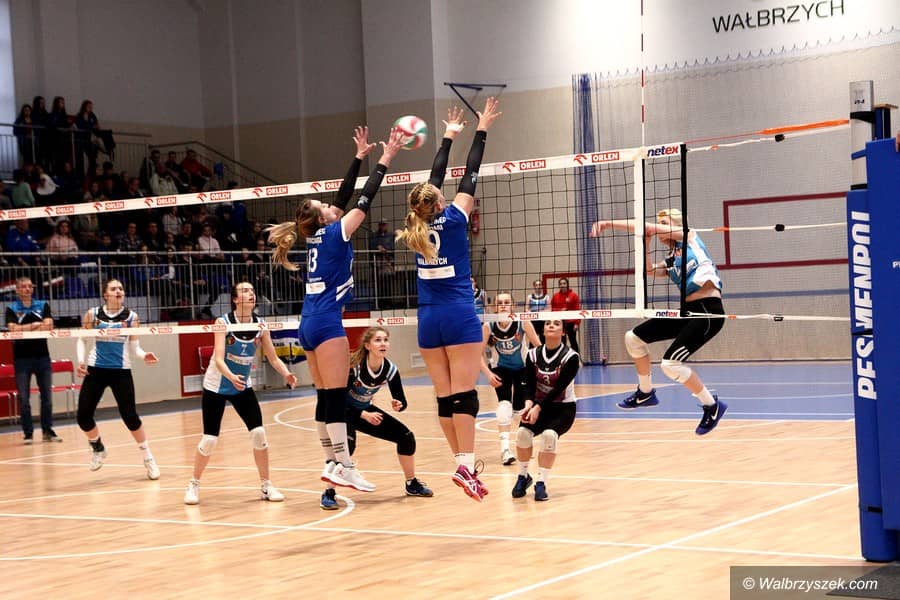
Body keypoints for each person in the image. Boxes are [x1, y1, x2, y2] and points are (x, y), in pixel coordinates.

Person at [268, 125, 403, 494]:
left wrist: (358, 157)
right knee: (337, 397)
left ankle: (331, 462)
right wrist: (385, 159)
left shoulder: (317, 234)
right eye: (324, 205)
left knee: (325, 396)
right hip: (327, 324)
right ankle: (345, 465)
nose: (330, 204)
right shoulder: (337, 231)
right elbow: (364, 199)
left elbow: (343, 197)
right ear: (324, 217)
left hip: (308, 323)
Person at [396, 98, 502, 501]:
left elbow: (432, 182)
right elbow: (471, 171)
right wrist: (481, 128)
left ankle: (460, 462)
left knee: (445, 396)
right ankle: (466, 465)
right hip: (459, 315)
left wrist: (448, 136)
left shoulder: (415, 225)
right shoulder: (456, 217)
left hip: (428, 320)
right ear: (438, 201)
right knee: (465, 394)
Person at [590, 208, 727, 435]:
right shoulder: (672, 259)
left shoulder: (689, 235)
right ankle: (645, 393)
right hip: (687, 312)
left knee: (670, 365)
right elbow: (649, 270)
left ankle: (712, 405)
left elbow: (647, 227)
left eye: (664, 222)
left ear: (676, 224)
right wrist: (647, 243)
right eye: (659, 222)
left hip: (708, 311)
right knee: (633, 338)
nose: (659, 226)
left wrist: (608, 223)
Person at [183, 282, 297, 505]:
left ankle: (266, 485)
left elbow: (273, 358)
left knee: (259, 434)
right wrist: (230, 377)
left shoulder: (261, 325)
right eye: (245, 291)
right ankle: (193, 484)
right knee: (210, 440)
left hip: (242, 386)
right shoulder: (222, 323)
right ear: (235, 299)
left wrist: (287, 374)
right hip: (217, 385)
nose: (251, 294)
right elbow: (218, 358)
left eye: (252, 291)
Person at [320, 326, 433, 510]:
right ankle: (329, 492)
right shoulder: (354, 368)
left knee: (406, 437)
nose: (383, 344)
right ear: (367, 345)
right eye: (378, 340)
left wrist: (399, 404)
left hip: (365, 411)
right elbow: (337, 402)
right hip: (343, 413)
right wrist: (362, 414)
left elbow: (402, 400)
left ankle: (411, 483)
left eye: (385, 340)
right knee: (346, 448)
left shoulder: (390, 369)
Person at [75, 279, 161, 477]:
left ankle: (148, 457)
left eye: (121, 288)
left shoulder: (132, 317)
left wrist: (144, 355)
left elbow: (134, 348)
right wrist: (80, 361)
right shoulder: (93, 314)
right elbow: (82, 339)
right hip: (96, 369)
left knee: (130, 416)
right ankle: (97, 447)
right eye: (113, 289)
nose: (118, 291)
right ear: (105, 294)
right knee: (83, 416)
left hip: (121, 371)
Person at [511, 318, 580, 502]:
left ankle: (541, 482)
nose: (551, 325)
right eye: (548, 323)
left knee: (549, 436)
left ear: (563, 332)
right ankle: (523, 476)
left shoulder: (571, 357)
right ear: (542, 330)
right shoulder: (532, 355)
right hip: (537, 407)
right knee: (522, 434)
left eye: (556, 324)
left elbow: (559, 389)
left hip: (563, 409)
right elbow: (529, 384)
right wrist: (528, 404)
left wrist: (538, 407)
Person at [480, 291, 539, 466]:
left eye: (507, 302)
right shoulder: (489, 326)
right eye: (500, 303)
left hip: (523, 368)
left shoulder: (522, 322)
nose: (503, 306)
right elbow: (477, 353)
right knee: (504, 405)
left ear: (513, 306)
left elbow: (538, 347)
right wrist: (488, 373)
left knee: (521, 409)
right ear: (494, 307)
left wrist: (539, 371)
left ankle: (523, 444)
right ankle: (505, 450)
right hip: (501, 368)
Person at [4, 277, 61, 444]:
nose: (27, 289)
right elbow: (13, 330)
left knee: (47, 398)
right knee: (24, 399)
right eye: (23, 286)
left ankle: (47, 431)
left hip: (42, 357)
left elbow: (49, 325)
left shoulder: (42, 305)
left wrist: (24, 328)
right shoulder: (11, 308)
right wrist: (35, 325)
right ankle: (28, 433)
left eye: (30, 286)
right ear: (17, 290)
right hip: (22, 359)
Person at [550, 278, 581, 353]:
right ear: (559, 285)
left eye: (564, 283)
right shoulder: (555, 296)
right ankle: (562, 357)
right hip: (560, 322)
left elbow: (577, 310)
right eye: (561, 284)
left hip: (571, 322)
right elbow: (552, 309)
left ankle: (576, 357)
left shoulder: (573, 295)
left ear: (567, 284)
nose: (562, 285)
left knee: (573, 341)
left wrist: (577, 323)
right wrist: (560, 311)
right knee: (561, 341)